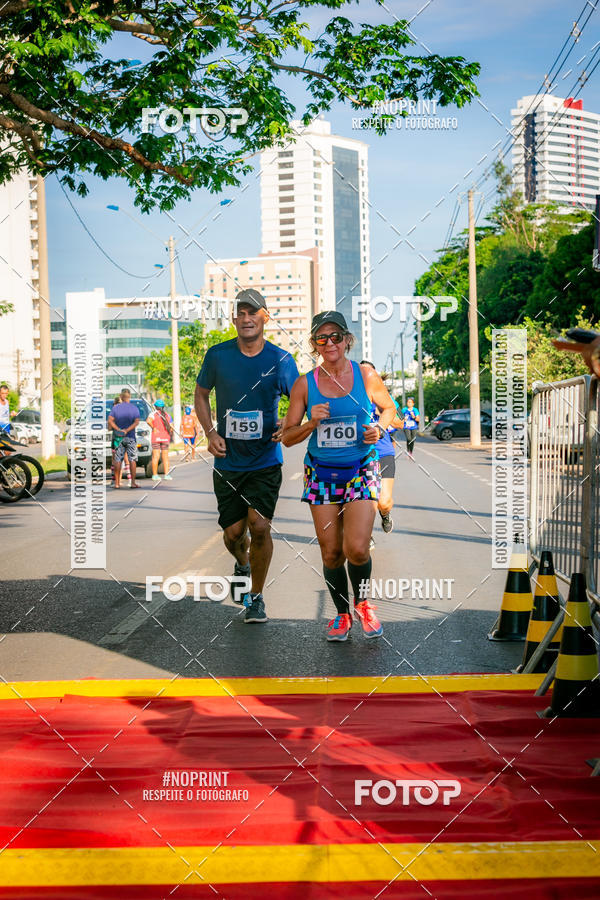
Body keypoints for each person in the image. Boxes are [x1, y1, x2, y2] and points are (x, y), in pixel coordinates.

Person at [282, 312, 396, 642]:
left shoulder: (365, 374)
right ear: (315, 345)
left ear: (347, 339)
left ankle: (363, 604)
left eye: (335, 336)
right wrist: (310, 423)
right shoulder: (305, 384)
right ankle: (343, 615)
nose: (329, 343)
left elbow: (389, 409)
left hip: (361, 467)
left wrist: (379, 427)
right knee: (331, 552)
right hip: (321, 473)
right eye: (321, 338)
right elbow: (287, 436)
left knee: (357, 549)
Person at [194, 289, 299, 624]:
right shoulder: (218, 356)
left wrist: (288, 421)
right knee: (234, 534)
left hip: (265, 459)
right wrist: (210, 432)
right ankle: (241, 563)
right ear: (234, 320)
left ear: (265, 317)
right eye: (240, 313)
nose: (247, 318)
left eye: (253, 312)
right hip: (228, 462)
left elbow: (299, 398)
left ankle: (256, 597)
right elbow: (201, 393)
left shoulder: (281, 361)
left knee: (260, 526)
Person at [361, 361, 402, 534]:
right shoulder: (351, 394)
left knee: (383, 502)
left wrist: (382, 412)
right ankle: (365, 535)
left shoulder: (384, 396)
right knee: (362, 501)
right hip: (360, 453)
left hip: (384, 452)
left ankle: (385, 515)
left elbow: (400, 423)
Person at [108, 388, 140, 489]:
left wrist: (118, 429)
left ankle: (117, 483)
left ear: (121, 397)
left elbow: (110, 420)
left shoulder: (115, 408)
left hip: (119, 438)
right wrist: (127, 430)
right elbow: (136, 422)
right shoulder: (134, 408)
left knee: (118, 459)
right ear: (129, 397)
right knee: (132, 459)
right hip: (130, 437)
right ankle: (133, 483)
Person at [147, 399, 173, 481]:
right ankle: (167, 475)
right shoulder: (168, 415)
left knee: (156, 456)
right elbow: (171, 427)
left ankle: (155, 475)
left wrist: (153, 427)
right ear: (163, 407)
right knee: (165, 457)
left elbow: (148, 421)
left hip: (156, 438)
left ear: (155, 407)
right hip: (165, 438)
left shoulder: (153, 414)